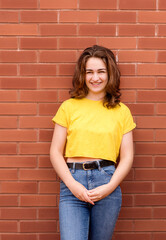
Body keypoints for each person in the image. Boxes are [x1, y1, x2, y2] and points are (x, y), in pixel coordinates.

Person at [50, 45, 136, 240]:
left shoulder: (122, 111)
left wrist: (110, 186)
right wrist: (72, 185)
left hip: (107, 183)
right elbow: (55, 152)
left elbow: (127, 156)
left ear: (109, 74)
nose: (95, 78)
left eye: (101, 72)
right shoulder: (69, 107)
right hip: (73, 184)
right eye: (89, 72)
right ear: (82, 74)